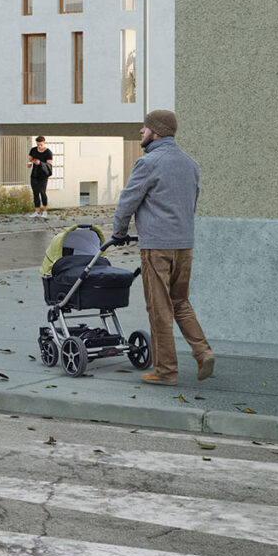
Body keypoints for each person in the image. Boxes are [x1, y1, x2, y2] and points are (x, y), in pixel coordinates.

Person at [109, 109, 211, 384]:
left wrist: (118, 232)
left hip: (157, 248)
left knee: (159, 308)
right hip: (184, 245)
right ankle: (202, 352)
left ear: (157, 132)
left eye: (145, 127)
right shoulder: (191, 164)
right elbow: (192, 202)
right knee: (180, 302)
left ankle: (166, 371)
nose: (141, 132)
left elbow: (127, 201)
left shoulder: (149, 163)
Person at [28, 136, 53, 212]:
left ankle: (45, 211)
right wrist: (29, 163)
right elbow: (30, 159)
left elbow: (49, 165)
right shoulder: (33, 150)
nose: (39, 146)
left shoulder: (48, 152)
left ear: (44, 143)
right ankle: (37, 211)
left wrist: (40, 163)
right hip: (34, 174)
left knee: (42, 192)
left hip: (43, 176)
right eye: (38, 144)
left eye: (41, 144)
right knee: (35, 193)